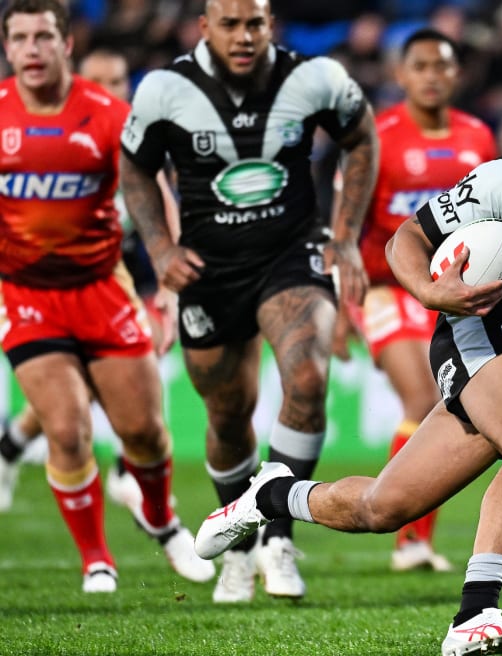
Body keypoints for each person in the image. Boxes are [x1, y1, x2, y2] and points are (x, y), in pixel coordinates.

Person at [194, 53, 502, 655]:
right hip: (476, 328)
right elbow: (412, 236)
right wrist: (431, 291)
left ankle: (267, 496)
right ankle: (474, 618)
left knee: (383, 508)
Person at [119, 0, 379, 603]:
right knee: (228, 413)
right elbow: (135, 167)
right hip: (209, 269)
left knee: (308, 379)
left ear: (271, 26)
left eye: (255, 23)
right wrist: (160, 250)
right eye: (230, 24)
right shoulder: (165, 89)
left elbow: (360, 136)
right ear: (204, 27)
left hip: (292, 254)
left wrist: (344, 237)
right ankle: (238, 548)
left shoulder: (314, 78)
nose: (244, 36)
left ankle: (278, 539)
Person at [0, 0, 213, 592]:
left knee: (143, 431)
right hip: (25, 295)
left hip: (102, 287)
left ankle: (161, 519)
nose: (32, 49)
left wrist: (167, 274)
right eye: (19, 38)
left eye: (43, 36)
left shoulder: (108, 116)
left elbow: (155, 191)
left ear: (66, 44)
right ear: (8, 48)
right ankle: (96, 556)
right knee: (66, 430)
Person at [338, 27, 498, 572]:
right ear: (400, 75)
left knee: (454, 403)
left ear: (457, 74)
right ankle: (409, 539)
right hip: (388, 287)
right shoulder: (376, 136)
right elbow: (346, 221)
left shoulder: (479, 137)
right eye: (422, 66)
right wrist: (340, 302)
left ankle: (413, 538)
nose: (433, 76)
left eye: (443, 66)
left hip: (457, 292)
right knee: (422, 398)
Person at [0, 46, 182, 514]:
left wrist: (169, 283)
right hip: (60, 285)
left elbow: (165, 208)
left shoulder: (136, 142)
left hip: (129, 277)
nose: (106, 92)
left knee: (125, 366)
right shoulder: (60, 149)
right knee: (76, 385)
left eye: (117, 82)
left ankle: (24, 447)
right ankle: (24, 447)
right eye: (96, 82)